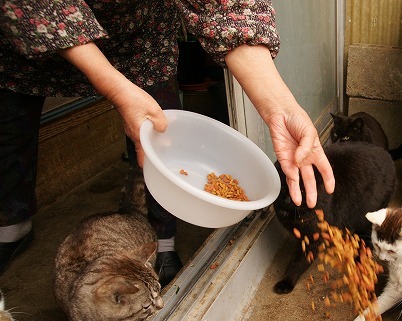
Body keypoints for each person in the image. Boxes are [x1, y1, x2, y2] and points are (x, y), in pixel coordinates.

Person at [0, 0, 335, 284]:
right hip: (37, 33)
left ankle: (162, 238)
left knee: (158, 130)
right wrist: (117, 89)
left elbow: (226, 6)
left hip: (140, 33)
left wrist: (280, 108)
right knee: (11, 127)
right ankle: (11, 225)